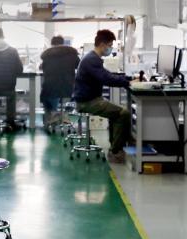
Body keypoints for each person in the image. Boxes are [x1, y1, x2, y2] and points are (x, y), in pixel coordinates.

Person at [72, 29, 134, 163]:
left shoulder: (92, 58)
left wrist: (128, 78)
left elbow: (107, 74)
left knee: (116, 113)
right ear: (102, 44)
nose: (111, 48)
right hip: (87, 102)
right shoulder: (92, 60)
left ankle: (116, 147)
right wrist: (127, 83)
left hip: (91, 98)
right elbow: (107, 79)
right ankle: (116, 151)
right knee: (123, 114)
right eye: (110, 45)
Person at [40, 35, 80, 128]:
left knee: (48, 97)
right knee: (67, 96)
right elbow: (79, 65)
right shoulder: (72, 54)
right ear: (63, 43)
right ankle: (65, 115)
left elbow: (42, 67)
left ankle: (53, 115)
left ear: (52, 44)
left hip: (50, 87)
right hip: (68, 87)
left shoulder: (47, 55)